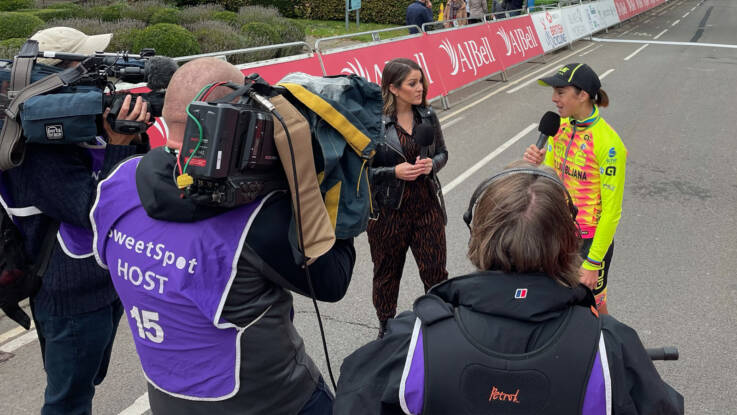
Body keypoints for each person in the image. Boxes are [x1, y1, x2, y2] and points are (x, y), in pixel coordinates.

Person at [90, 57, 357, 414]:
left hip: (167, 397)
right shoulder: (255, 215)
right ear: (237, 119)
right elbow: (332, 281)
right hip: (271, 399)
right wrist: (337, 195)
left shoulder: (117, 183)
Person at [334, 162, 684, 415]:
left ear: (477, 235)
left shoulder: (412, 339)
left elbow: (351, 399)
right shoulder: (609, 346)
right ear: (570, 244)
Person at [0, 27, 149, 414]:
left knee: (86, 381)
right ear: (59, 72)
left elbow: (126, 175)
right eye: (86, 63)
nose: (94, 70)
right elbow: (91, 210)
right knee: (69, 400)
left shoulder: (71, 121)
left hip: (97, 282)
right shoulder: (36, 144)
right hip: (71, 294)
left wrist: (129, 134)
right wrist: (118, 145)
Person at [523, 63, 626, 315]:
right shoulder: (560, 128)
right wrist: (538, 165)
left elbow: (611, 213)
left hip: (588, 242)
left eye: (560, 92)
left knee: (592, 307)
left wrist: (593, 262)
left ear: (582, 95)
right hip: (558, 231)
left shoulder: (609, 144)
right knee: (554, 300)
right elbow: (551, 179)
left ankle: (607, 347)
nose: (553, 98)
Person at [367, 58, 448, 339]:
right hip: (388, 213)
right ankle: (386, 329)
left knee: (436, 272)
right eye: (412, 83)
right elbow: (361, 172)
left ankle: (439, 325)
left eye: (421, 81)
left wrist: (432, 165)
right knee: (387, 274)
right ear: (393, 88)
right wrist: (394, 172)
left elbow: (442, 153)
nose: (420, 88)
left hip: (427, 207)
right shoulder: (373, 123)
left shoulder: (428, 116)